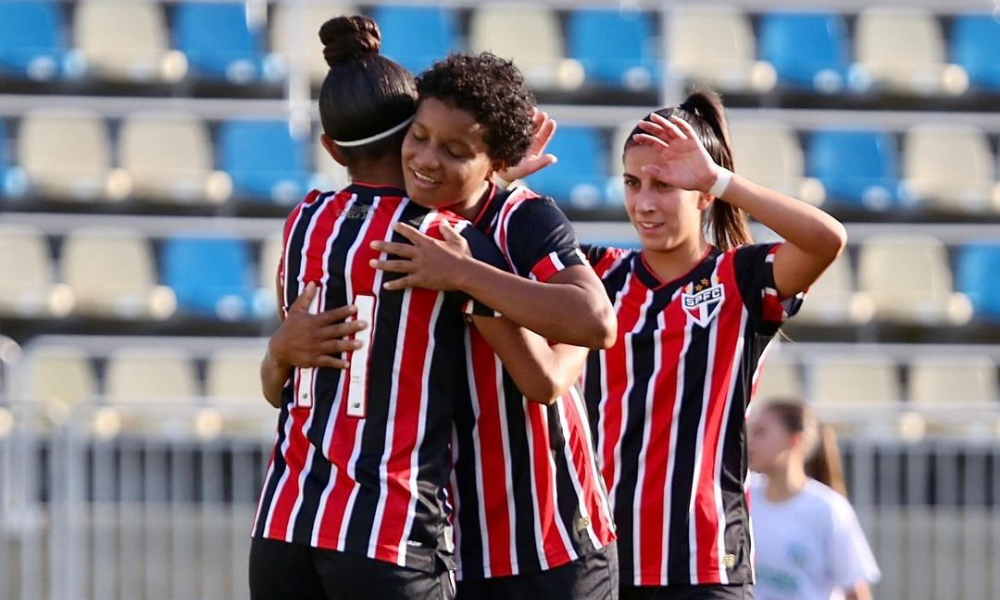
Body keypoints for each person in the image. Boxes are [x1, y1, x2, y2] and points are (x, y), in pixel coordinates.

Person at [250, 17, 535, 600]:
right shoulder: (442, 236)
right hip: (389, 529)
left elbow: (285, 378)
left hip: (283, 525)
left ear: (329, 147)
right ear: (413, 130)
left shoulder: (303, 223)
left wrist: (278, 352)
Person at [369, 53, 619, 599]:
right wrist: (279, 354)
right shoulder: (388, 223)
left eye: (456, 151)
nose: (427, 159)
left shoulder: (523, 219)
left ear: (496, 162)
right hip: (448, 546)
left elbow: (596, 322)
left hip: (553, 539)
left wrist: (464, 272)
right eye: (419, 136)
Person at [748, 400, 880, 600]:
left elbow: (855, 590)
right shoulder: (744, 498)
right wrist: (727, 564)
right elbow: (728, 560)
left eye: (761, 432)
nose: (750, 442)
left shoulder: (827, 509)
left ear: (794, 439)